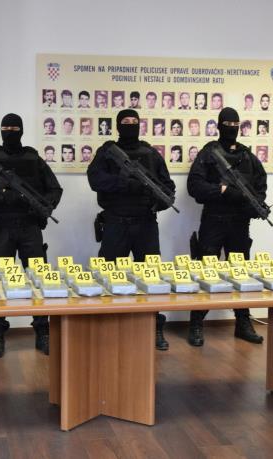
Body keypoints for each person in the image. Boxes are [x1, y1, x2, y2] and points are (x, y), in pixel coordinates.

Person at [0, 113, 63, 358]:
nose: (10, 132)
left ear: (22, 130)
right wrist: (1, 194)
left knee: (38, 278)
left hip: (30, 225)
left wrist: (44, 206)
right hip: (2, 225)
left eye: (14, 128)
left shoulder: (33, 158)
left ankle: (42, 331)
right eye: (6, 128)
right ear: (0, 130)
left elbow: (54, 188)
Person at [88, 109, 176, 351]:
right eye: (125, 122)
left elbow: (168, 188)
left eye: (134, 121)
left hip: (146, 223)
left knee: (151, 278)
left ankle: (154, 326)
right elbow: (95, 180)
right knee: (107, 275)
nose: (130, 125)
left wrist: (156, 201)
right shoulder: (107, 152)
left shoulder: (151, 154)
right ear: (118, 125)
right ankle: (105, 326)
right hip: (115, 223)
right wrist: (125, 183)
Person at [186, 107, 267, 346]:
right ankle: (196, 323)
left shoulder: (247, 157)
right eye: (227, 125)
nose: (231, 129)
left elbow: (260, 186)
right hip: (214, 220)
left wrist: (252, 204)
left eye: (235, 125)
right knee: (207, 272)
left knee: (240, 272)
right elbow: (194, 186)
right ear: (219, 126)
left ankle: (243, 322)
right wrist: (221, 190)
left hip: (239, 223)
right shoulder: (209, 153)